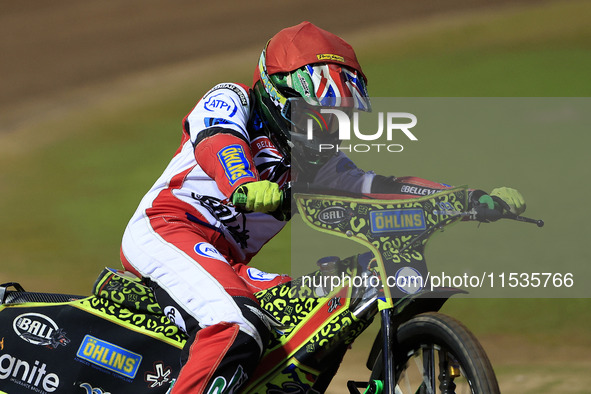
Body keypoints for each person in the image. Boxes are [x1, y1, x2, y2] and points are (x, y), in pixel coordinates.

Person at [121, 21, 525, 393]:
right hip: (165, 230)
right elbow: (218, 141)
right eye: (318, 112)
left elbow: (377, 187)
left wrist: (468, 199)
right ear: (282, 93)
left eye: (338, 116)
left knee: (310, 314)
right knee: (236, 327)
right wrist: (245, 184)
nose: (328, 126)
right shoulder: (231, 99)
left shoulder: (317, 163)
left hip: (226, 262)